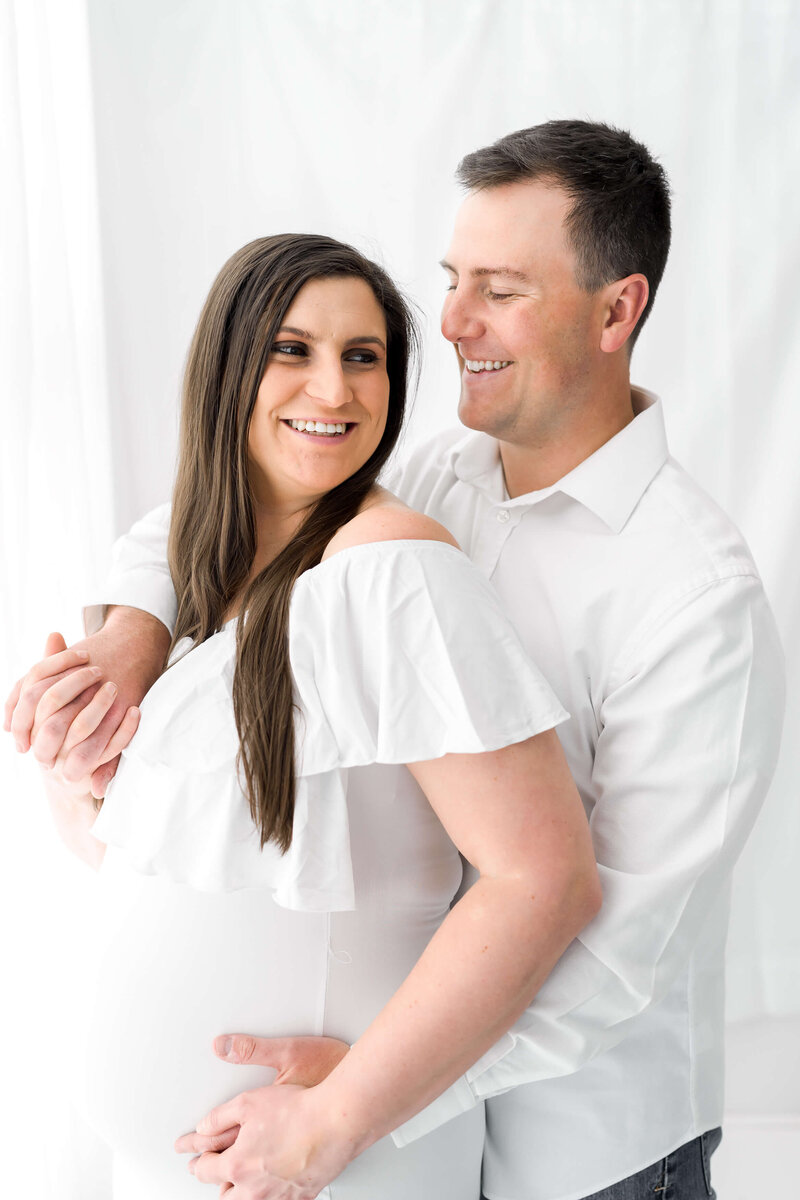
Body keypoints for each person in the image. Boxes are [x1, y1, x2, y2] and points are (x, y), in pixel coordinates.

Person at [7, 120, 785, 1199]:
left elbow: (610, 943)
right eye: (452, 279)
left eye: (501, 288)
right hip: (405, 1127)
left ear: (618, 310)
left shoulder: (694, 598)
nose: (453, 321)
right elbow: (234, 516)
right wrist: (134, 634)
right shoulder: (436, 478)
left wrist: (368, 1095)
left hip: (590, 1164)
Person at [13, 232, 599, 1200]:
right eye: (294, 350)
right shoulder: (196, 577)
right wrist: (76, 761)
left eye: (361, 357)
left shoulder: (393, 573)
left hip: (331, 1167)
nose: (333, 391)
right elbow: (146, 855)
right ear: (226, 367)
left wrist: (337, 1118)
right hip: (183, 1171)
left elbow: (544, 878)